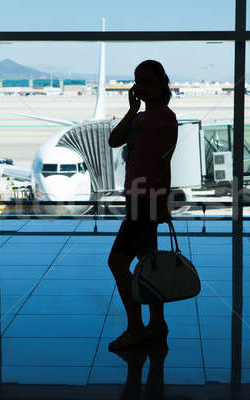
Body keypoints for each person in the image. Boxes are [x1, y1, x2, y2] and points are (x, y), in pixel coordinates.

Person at [107, 60, 178, 351]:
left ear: (162, 82)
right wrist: (132, 109)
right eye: (138, 81)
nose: (142, 87)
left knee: (117, 261)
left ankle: (136, 327)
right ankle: (157, 324)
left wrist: (163, 202)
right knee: (147, 264)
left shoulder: (165, 118)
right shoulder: (140, 118)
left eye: (148, 81)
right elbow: (113, 140)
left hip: (146, 200)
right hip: (135, 196)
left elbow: (164, 164)